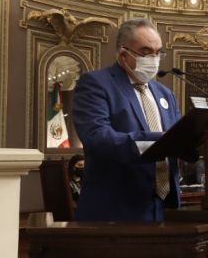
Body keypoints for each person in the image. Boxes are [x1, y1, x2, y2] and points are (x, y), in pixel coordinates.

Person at [73, 18, 185, 222]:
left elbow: (178, 139)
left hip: (164, 207)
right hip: (115, 209)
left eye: (158, 52)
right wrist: (159, 140)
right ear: (124, 54)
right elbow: (98, 138)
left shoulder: (165, 93)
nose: (154, 58)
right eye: (146, 51)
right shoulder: (96, 83)